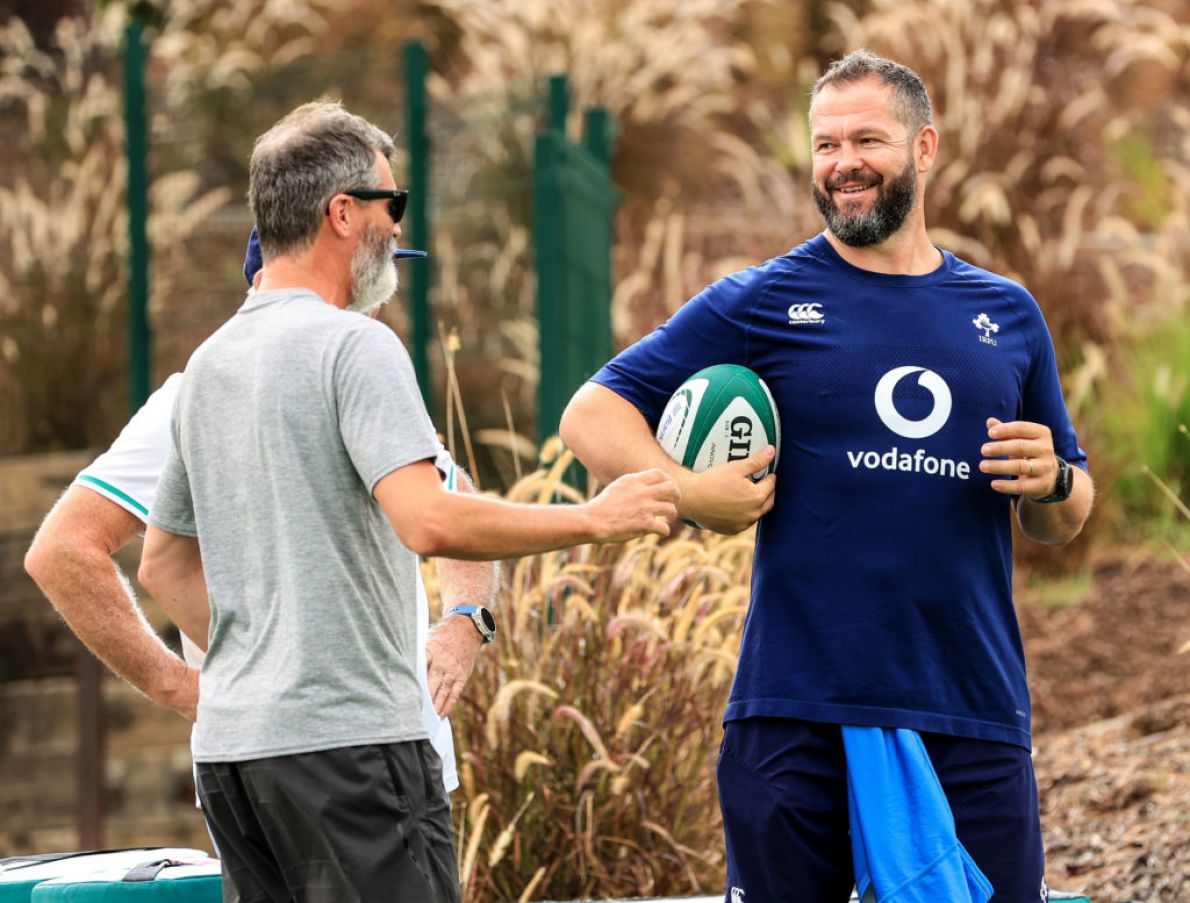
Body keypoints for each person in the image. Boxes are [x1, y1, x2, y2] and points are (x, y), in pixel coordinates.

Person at [560, 50, 1093, 903]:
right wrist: (690, 492)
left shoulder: (1006, 314)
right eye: (824, 144)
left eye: (866, 139)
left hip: (970, 703)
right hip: (795, 707)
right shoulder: (763, 300)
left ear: (924, 149)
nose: (842, 162)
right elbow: (591, 412)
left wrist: (1054, 483)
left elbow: (1065, 511)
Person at [136, 99, 679, 903]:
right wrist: (596, 518)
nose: (398, 226)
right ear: (342, 211)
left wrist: (272, 656)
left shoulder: (207, 365)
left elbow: (162, 565)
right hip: (352, 754)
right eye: (394, 205)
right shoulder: (356, 344)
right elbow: (428, 519)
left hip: (235, 758)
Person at [23, 300, 495, 809]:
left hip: (402, 755)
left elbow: (454, 505)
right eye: (361, 271)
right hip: (279, 769)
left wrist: (465, 622)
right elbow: (63, 550)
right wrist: (176, 687)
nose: (378, 300)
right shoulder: (197, 398)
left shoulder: (367, 380)